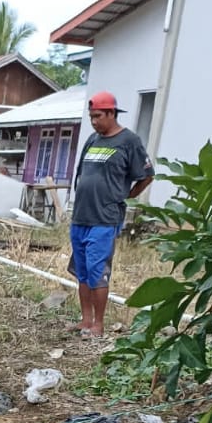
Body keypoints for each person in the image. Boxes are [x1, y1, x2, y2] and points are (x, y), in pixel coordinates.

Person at [70, 91, 154, 337]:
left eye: (97, 116)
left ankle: (98, 324)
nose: (94, 121)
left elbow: (147, 175)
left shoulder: (129, 141)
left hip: (105, 218)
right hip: (81, 216)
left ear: (111, 113)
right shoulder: (92, 140)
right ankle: (84, 321)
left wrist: (127, 195)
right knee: (82, 270)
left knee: (97, 271)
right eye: (91, 117)